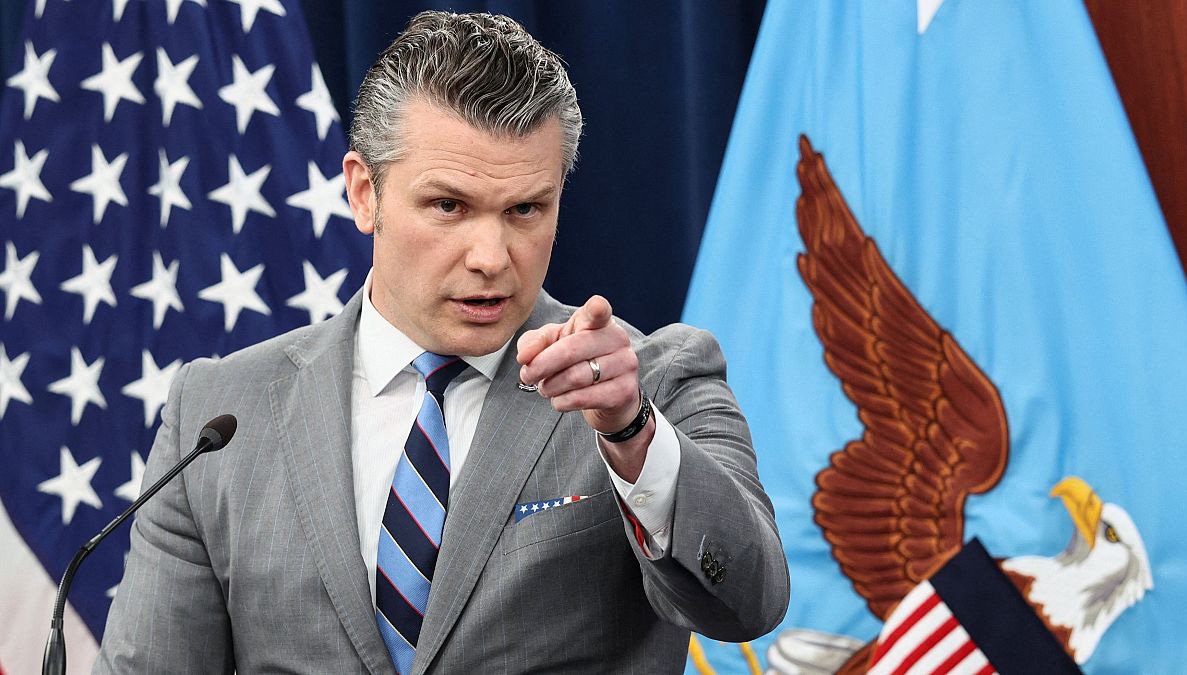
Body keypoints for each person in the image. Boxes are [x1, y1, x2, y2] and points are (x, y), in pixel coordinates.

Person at [95, 11, 788, 674]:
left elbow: (749, 600)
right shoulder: (220, 414)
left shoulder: (651, 382)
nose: (490, 256)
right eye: (449, 206)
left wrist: (632, 434)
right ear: (364, 193)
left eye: (525, 209)